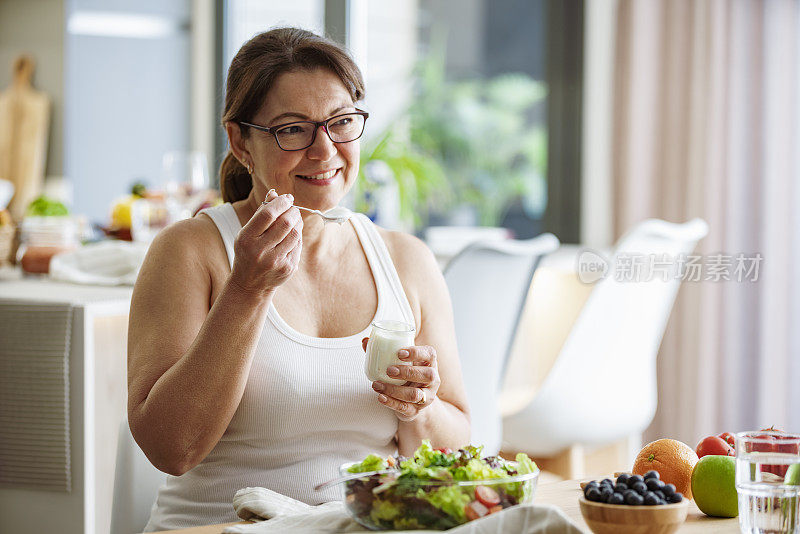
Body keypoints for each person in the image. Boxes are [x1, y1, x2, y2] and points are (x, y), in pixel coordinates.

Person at [128, 27, 471, 530]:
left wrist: (417, 408)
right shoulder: (188, 251)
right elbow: (171, 449)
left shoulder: (407, 260)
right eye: (293, 129)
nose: (325, 150)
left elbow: (457, 447)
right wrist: (247, 290)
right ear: (241, 141)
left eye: (341, 122)